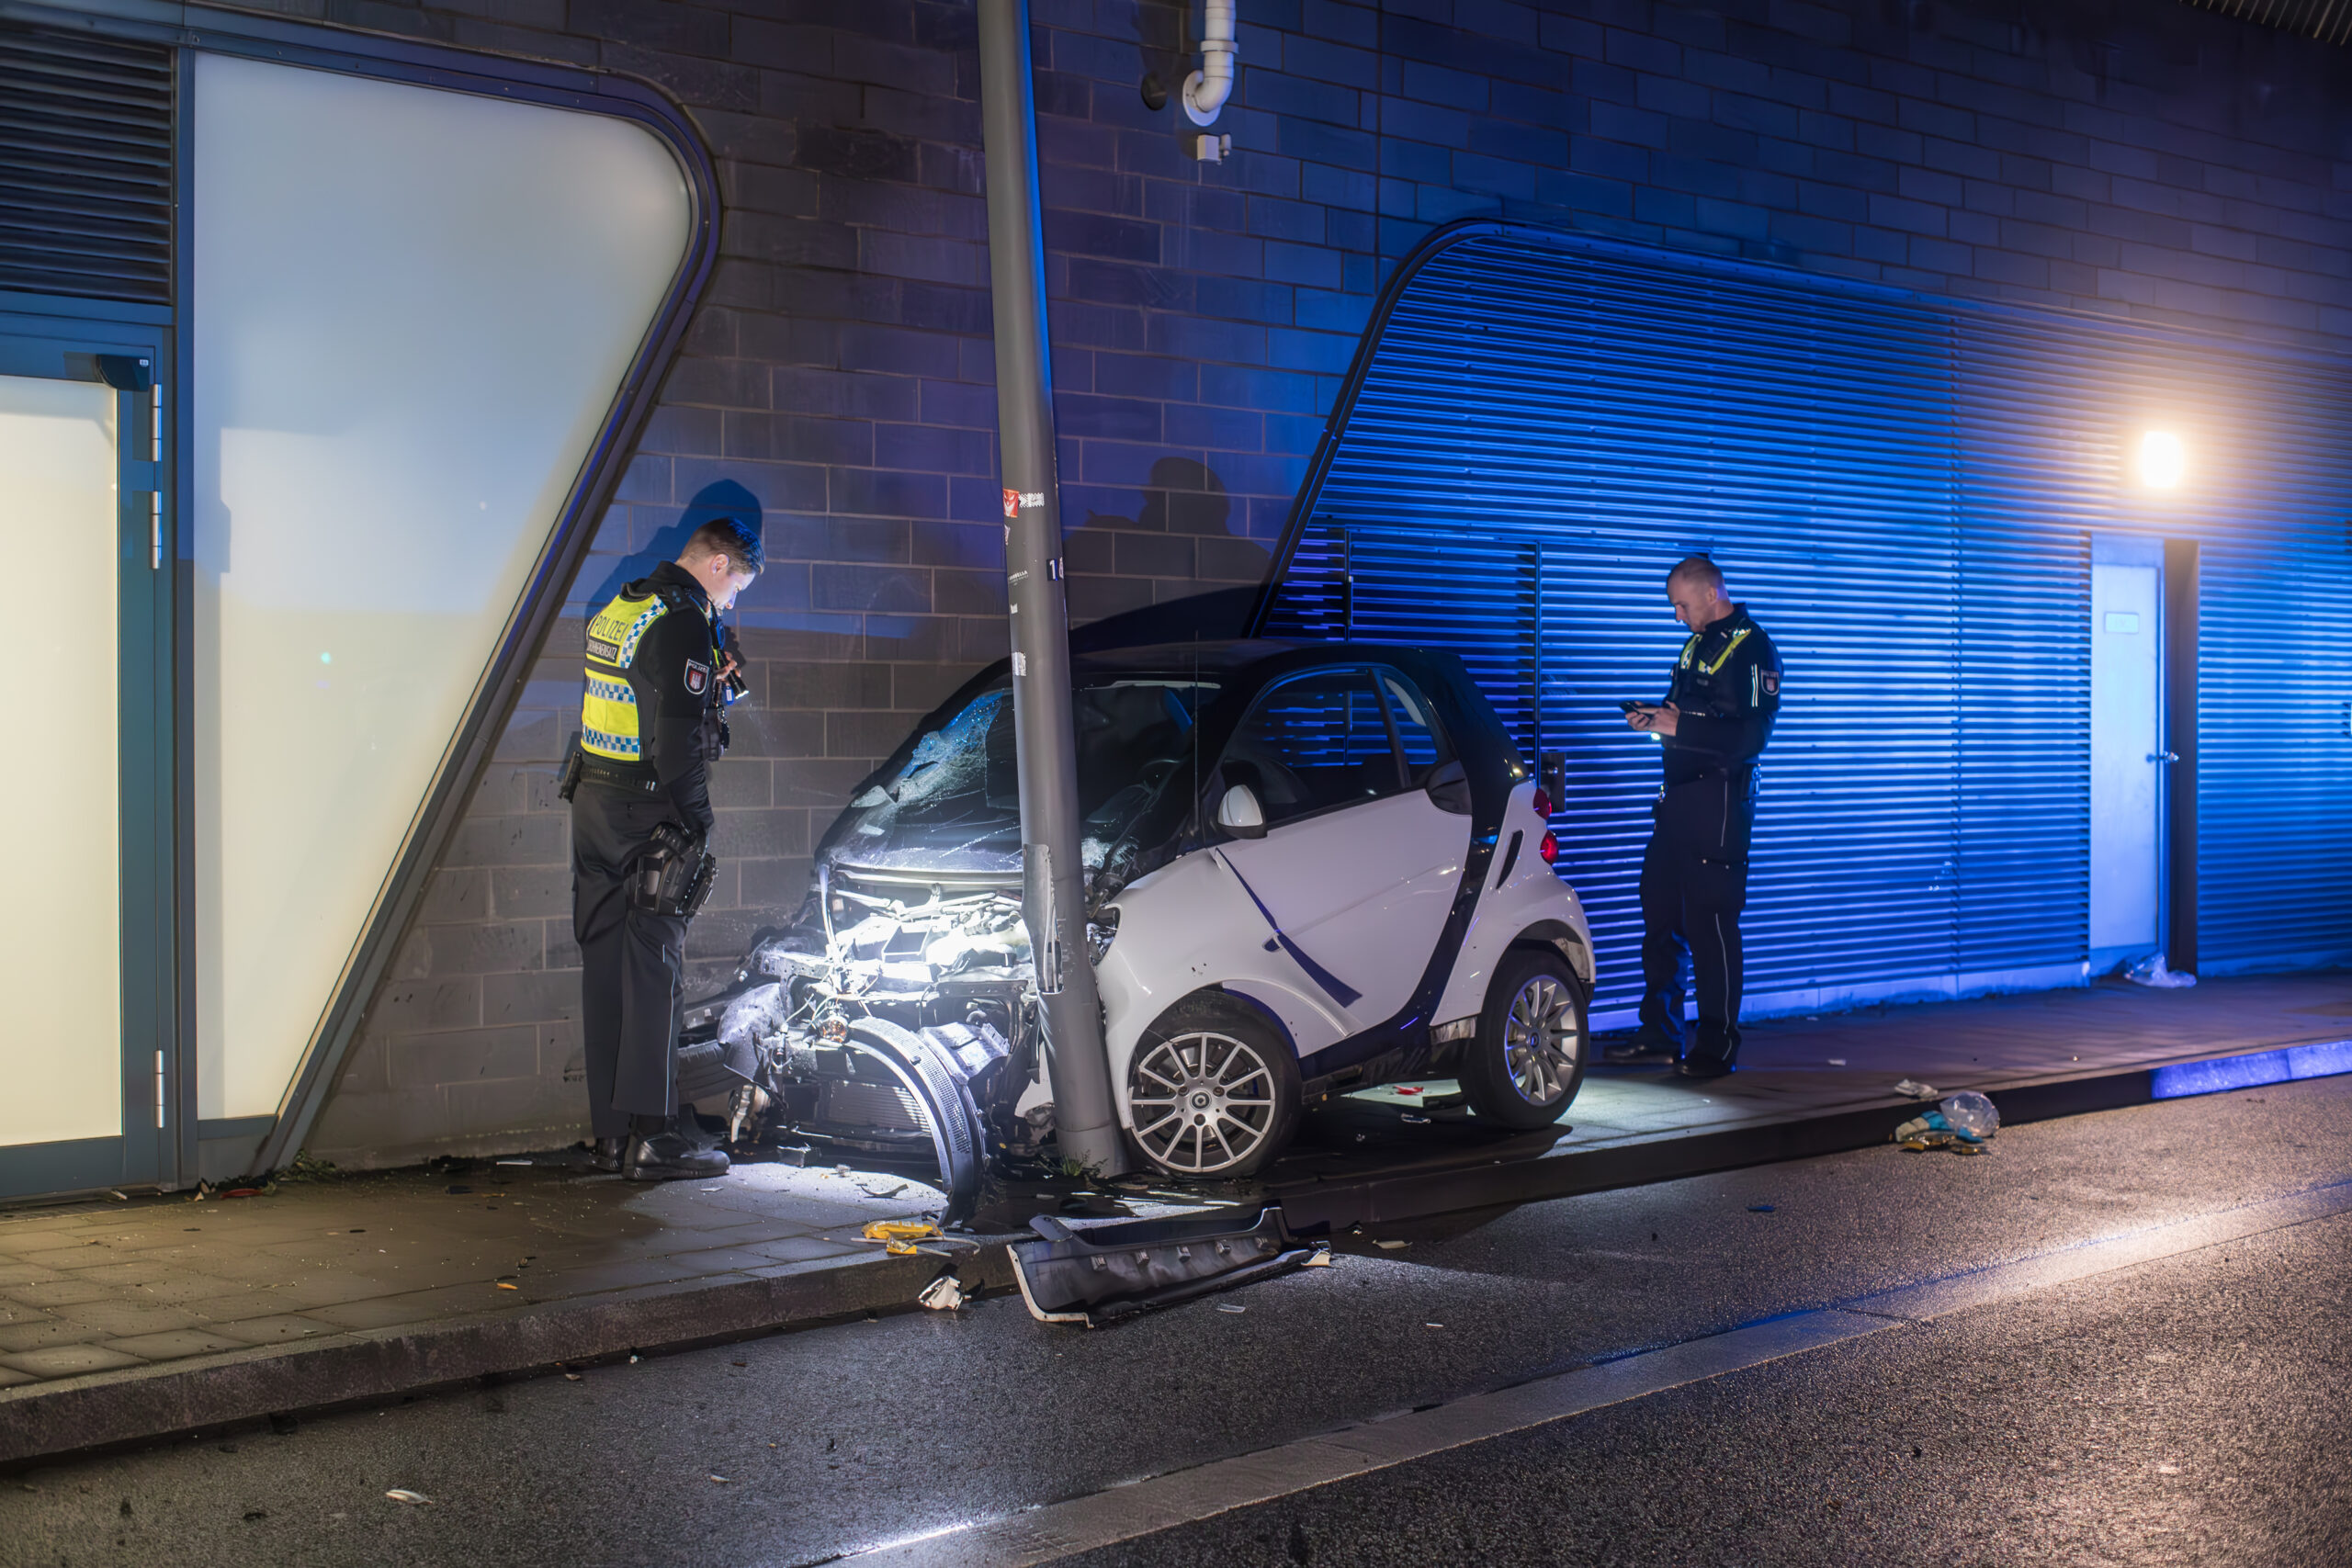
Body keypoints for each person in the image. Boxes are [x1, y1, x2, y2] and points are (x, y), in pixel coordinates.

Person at [569, 516, 760, 1179]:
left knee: (605, 966)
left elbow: (642, 700)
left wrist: (720, 679)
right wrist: (698, 824)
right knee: (655, 966)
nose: (732, 603)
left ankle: (609, 1135)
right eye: (736, 587)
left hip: (592, 802)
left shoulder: (623, 605)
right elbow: (676, 743)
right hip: (647, 810)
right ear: (717, 566)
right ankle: (656, 1138)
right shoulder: (680, 621)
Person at [1604, 556, 1782, 1078]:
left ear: (1711, 593)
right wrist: (1654, 719)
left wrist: (1684, 727)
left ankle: (1716, 1044)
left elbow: (1752, 737)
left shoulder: (1752, 648)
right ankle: (1660, 1032)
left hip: (1720, 805)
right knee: (1660, 916)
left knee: (1712, 926)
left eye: (1681, 605)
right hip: (1677, 803)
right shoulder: (1694, 644)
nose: (1677, 616)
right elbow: (1681, 711)